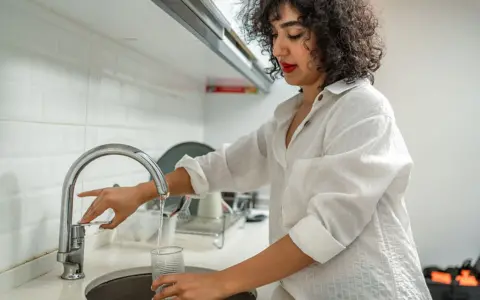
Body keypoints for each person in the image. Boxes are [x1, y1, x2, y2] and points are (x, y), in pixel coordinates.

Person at [78, 0, 433, 299]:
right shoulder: (289, 116)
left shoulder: (362, 108)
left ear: (331, 34)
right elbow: (223, 166)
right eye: (275, 34)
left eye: (294, 34)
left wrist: (220, 282)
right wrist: (142, 192)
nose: (279, 49)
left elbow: (327, 227)